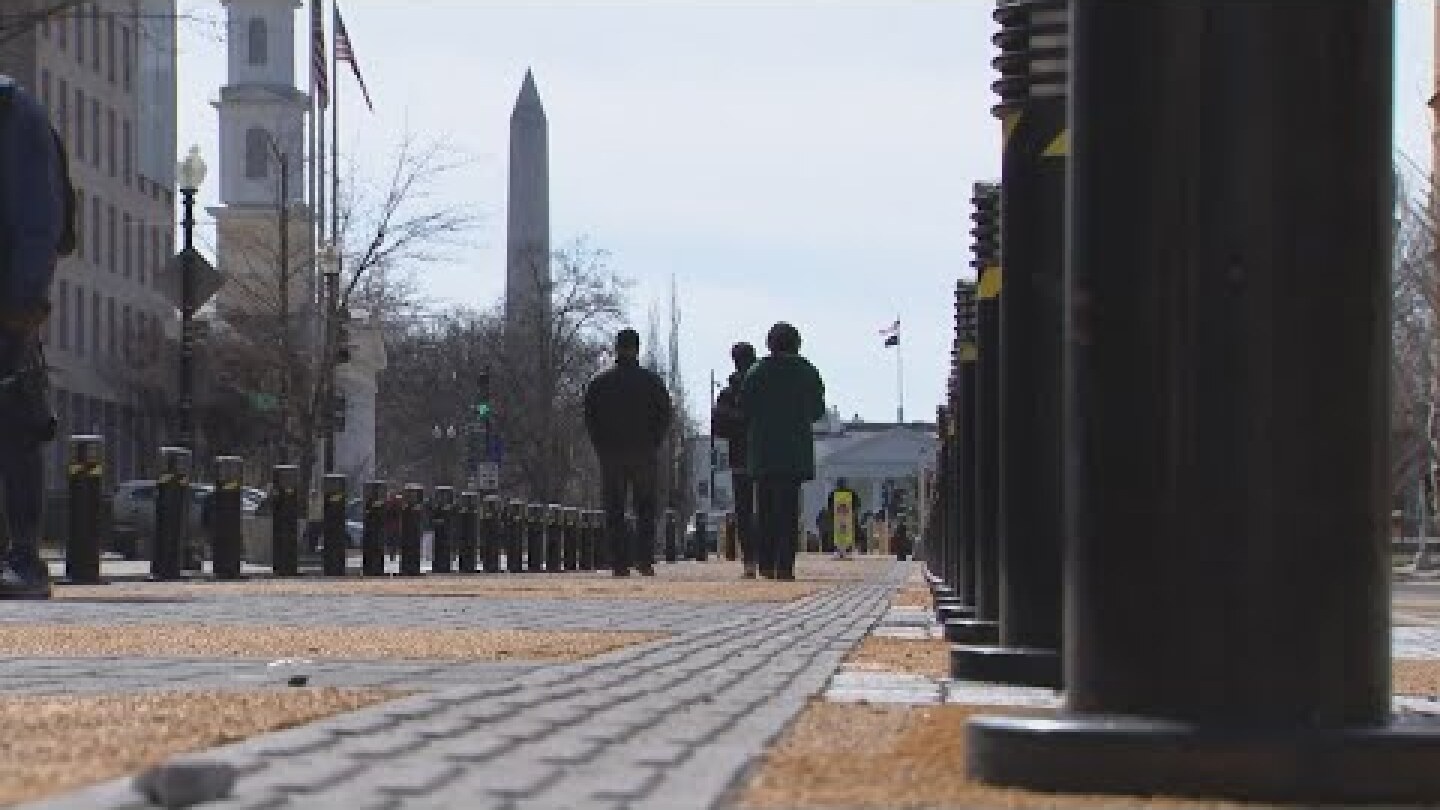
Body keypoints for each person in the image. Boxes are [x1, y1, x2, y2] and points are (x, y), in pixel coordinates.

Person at [0, 75, 73, 599]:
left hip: (6, 301)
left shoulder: (16, 115)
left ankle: (24, 557)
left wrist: (24, 301)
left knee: (15, 429)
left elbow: (38, 216)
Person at [583, 328, 673, 577]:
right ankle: (644, 560)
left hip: (611, 453)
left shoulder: (599, 383)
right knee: (645, 508)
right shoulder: (651, 382)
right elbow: (664, 415)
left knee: (614, 509)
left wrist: (601, 445)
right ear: (638, 349)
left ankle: (619, 562)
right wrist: (654, 441)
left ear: (616, 348)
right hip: (643, 451)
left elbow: (590, 418)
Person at [743, 322, 825, 581]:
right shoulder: (807, 372)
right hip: (793, 453)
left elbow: (746, 406)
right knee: (788, 511)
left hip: (764, 451)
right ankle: (785, 565)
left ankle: (765, 562)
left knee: (764, 509)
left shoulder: (757, 372)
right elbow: (817, 410)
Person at [710, 341, 758, 577]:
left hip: (740, 457)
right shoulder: (763, 388)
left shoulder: (729, 393)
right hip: (765, 455)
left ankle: (749, 560)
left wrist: (737, 424)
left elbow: (718, 425)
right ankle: (769, 557)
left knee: (744, 510)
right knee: (767, 507)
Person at [827, 478, 861, 559]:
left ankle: (849, 549)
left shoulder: (851, 493)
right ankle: (837, 550)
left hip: (848, 518)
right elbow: (830, 506)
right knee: (836, 533)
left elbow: (857, 505)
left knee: (852, 532)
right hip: (838, 518)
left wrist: (852, 512)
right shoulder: (833, 494)